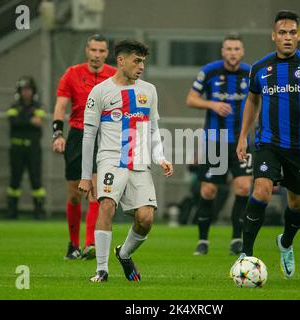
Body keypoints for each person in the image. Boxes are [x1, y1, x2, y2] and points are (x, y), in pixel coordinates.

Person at [235, 10, 300, 278]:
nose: (287, 37)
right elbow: (252, 101)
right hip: (268, 143)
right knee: (261, 192)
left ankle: (285, 243)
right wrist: (242, 137)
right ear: (273, 36)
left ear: (299, 35)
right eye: (282, 32)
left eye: (292, 32)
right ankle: (245, 255)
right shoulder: (259, 68)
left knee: (297, 205)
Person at [78, 40, 173, 283]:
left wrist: (160, 157)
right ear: (121, 61)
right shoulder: (100, 92)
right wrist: (86, 176)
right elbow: (88, 136)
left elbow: (153, 129)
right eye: (137, 61)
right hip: (110, 160)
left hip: (140, 163)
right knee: (107, 205)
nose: (141, 66)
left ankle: (124, 253)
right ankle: (101, 269)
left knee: (146, 218)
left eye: (143, 61)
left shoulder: (149, 90)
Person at [185, 35, 253, 255]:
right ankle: (203, 240)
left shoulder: (250, 73)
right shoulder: (210, 71)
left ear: (242, 52)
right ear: (222, 52)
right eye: (228, 49)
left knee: (243, 187)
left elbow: (260, 101)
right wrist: (212, 104)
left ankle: (236, 239)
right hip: (216, 141)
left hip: (241, 141)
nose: (232, 52)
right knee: (208, 190)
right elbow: (191, 99)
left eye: (236, 49)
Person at [52, 34, 116, 260]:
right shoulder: (72, 73)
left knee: (95, 192)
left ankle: (90, 244)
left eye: (102, 51)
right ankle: (73, 244)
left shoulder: (114, 75)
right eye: (94, 50)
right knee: (74, 193)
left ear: (107, 53)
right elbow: (61, 104)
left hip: (104, 135)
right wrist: (57, 134)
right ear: (87, 51)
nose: (97, 55)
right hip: (78, 134)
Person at [6, 76, 46, 220]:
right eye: (23, 89)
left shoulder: (38, 106)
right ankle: (11, 211)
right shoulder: (13, 106)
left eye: (28, 89)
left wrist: (21, 119)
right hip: (16, 148)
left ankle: (39, 211)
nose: (26, 92)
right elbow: (13, 122)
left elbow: (38, 121)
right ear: (19, 91)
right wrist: (29, 119)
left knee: (36, 180)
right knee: (14, 181)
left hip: (33, 149)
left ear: (33, 91)